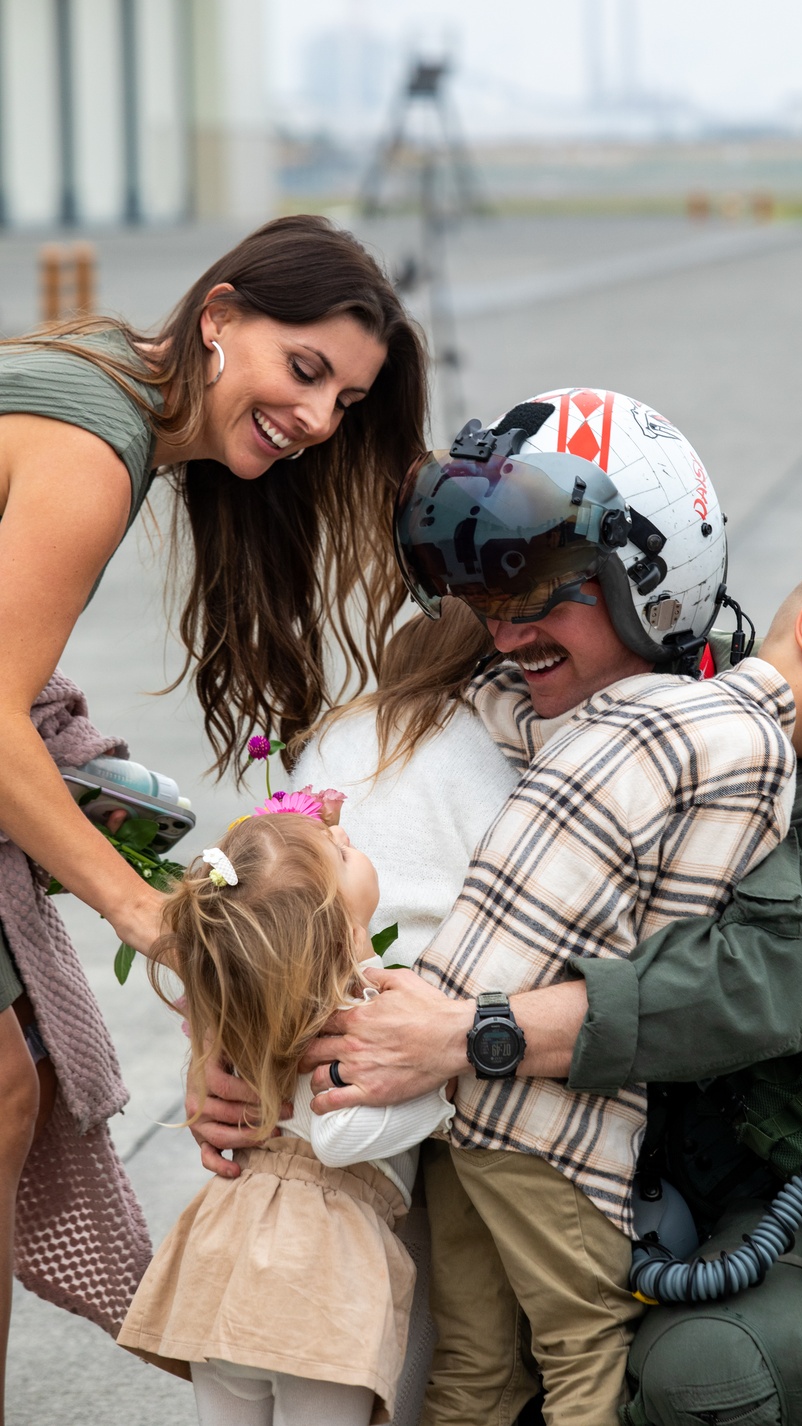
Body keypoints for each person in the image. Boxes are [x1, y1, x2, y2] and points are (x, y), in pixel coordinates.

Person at [311, 545, 802, 1426]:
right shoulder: (693, 710)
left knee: (700, 1369)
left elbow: (748, 992)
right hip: (570, 1139)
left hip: (788, 1185)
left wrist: (466, 1031)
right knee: (509, 1360)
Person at [0, 212, 425, 1415]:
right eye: (304, 369)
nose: (316, 418)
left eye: (343, 401)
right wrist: (145, 912)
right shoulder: (93, 454)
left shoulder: (98, 369)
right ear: (220, 314)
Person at [117, 795, 453, 1426]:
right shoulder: (364, 1021)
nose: (348, 837)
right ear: (344, 931)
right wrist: (443, 1091)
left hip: (226, 1249)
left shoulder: (245, 999)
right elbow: (339, 1135)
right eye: (345, 853)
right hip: (313, 1269)